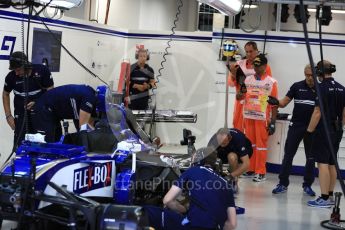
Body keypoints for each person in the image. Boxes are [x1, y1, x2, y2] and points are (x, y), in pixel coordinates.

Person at [144, 147, 237, 230]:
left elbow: (167, 200)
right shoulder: (226, 184)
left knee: (146, 211)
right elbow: (232, 224)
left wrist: (183, 210)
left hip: (190, 225)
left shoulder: (192, 171)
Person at [270, 64, 316, 196]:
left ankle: (307, 185)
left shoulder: (321, 89)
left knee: (311, 158)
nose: (309, 78)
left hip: (312, 128)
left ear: (316, 74)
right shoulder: (297, 86)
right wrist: (274, 101)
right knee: (288, 155)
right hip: (296, 126)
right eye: (306, 75)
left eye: (311, 75)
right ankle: (282, 184)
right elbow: (284, 102)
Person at [305, 60, 345, 208]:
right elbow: (344, 113)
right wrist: (339, 127)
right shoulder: (342, 88)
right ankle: (330, 195)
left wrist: (309, 131)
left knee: (322, 163)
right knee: (332, 163)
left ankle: (324, 198)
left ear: (319, 72)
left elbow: (317, 112)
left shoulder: (321, 88)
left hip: (324, 130)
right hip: (337, 129)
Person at [2, 51, 54, 149]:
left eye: (18, 70)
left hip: (40, 115)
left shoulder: (42, 71)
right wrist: (8, 116)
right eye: (14, 70)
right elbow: (5, 94)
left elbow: (51, 92)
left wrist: (38, 102)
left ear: (26, 65)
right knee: (20, 147)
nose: (16, 73)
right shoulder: (11, 77)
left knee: (41, 146)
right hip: (21, 116)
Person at [242, 54, 278, 182]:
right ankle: (250, 169)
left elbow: (274, 104)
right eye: (254, 66)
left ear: (265, 66)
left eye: (258, 66)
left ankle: (261, 172)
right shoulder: (248, 80)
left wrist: (273, 122)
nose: (256, 69)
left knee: (261, 145)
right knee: (249, 144)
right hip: (249, 117)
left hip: (262, 118)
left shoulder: (271, 82)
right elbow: (241, 96)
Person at [228, 41, 272, 132]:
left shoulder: (265, 66)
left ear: (256, 51)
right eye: (247, 52)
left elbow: (269, 85)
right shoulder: (238, 64)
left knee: (254, 129)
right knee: (237, 125)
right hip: (241, 101)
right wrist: (233, 74)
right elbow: (231, 83)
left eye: (251, 51)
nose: (249, 54)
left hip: (257, 103)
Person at [31, 84, 98, 142]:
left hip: (54, 111)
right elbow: (83, 127)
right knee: (49, 142)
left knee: (57, 139)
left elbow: (89, 124)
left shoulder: (90, 96)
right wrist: (98, 133)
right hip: (45, 107)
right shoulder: (89, 97)